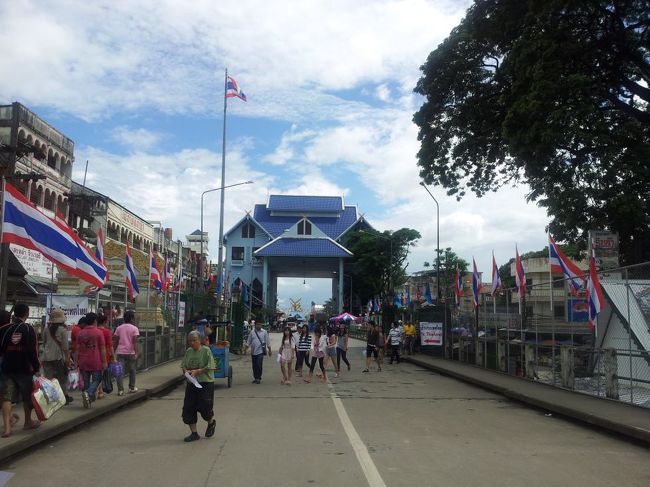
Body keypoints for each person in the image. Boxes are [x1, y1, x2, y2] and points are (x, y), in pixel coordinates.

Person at [0, 304, 41, 437]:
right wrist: (36, 368)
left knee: (7, 397)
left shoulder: (4, 329)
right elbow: (32, 351)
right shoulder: (29, 329)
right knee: (27, 397)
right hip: (24, 369)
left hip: (7, 368)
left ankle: (7, 428)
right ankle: (27, 422)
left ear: (14, 314)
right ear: (26, 313)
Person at [180, 330, 216, 442]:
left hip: (205, 383)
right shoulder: (189, 351)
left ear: (199, 340)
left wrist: (198, 372)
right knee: (188, 408)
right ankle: (194, 433)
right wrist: (186, 372)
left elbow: (210, 366)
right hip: (192, 383)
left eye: (194, 340)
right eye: (190, 341)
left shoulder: (206, 351)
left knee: (205, 406)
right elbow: (183, 365)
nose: (192, 343)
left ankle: (211, 422)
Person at [42, 308, 73, 405]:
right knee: (62, 378)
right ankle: (64, 396)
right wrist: (67, 358)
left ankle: (50, 397)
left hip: (46, 357)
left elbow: (44, 342)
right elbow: (65, 347)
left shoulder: (46, 329)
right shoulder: (63, 330)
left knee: (49, 378)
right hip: (59, 357)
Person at [76, 313, 107, 408]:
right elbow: (102, 348)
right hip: (95, 360)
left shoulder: (80, 333)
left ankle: (88, 399)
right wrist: (104, 361)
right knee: (97, 379)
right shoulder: (98, 332)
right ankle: (88, 394)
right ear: (94, 321)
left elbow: (77, 348)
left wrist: (76, 361)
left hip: (83, 361)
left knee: (86, 382)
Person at [114, 310, 140, 395]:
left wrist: (114, 352)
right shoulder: (134, 328)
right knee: (132, 370)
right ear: (132, 318)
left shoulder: (119, 328)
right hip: (130, 352)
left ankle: (120, 390)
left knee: (120, 371)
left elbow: (116, 341)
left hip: (120, 352)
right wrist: (136, 352)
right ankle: (131, 387)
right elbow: (135, 342)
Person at [96, 315, 116, 399]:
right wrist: (113, 356)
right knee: (102, 373)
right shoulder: (107, 332)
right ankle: (99, 391)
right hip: (105, 355)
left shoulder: (95, 330)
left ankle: (98, 390)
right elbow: (110, 345)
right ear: (104, 322)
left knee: (96, 372)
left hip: (95, 354)